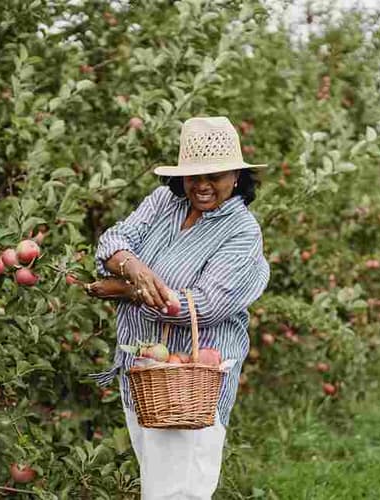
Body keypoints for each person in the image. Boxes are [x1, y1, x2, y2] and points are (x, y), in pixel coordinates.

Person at [87, 116, 270, 499]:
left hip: (192, 382)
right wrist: (133, 267)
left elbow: (204, 306)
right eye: (193, 176)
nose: (202, 185)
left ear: (236, 175)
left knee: (177, 493)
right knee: (159, 487)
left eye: (215, 175)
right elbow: (113, 241)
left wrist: (125, 289)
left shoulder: (241, 230)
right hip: (143, 375)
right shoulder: (164, 202)